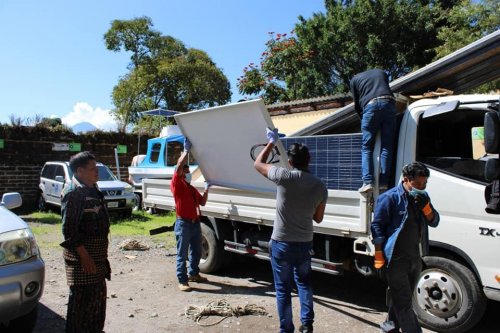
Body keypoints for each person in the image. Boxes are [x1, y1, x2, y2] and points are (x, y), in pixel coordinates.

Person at [254, 128, 328, 333]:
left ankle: (286, 329)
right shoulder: (320, 186)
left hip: (282, 243)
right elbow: (319, 218)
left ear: (291, 162)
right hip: (304, 244)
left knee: (283, 290)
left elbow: (258, 164)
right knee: (304, 283)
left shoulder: (283, 176)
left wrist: (271, 142)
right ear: (309, 160)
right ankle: (307, 325)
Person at [371, 162, 440, 333]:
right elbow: (377, 227)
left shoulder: (423, 197)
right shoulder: (390, 198)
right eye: (418, 184)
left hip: (414, 258)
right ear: (406, 180)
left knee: (402, 298)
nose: (422, 187)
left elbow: (435, 221)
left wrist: (427, 208)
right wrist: (379, 255)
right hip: (395, 260)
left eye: (424, 184)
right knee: (404, 304)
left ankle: (389, 328)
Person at [60, 151, 111, 333]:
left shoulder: (92, 189)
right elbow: (69, 230)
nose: (96, 171)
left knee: (96, 306)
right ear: (79, 171)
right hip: (83, 263)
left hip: (97, 259)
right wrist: (84, 256)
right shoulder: (74, 193)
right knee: (81, 309)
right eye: (92, 169)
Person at [171, 138, 210, 292]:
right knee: (182, 253)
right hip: (183, 223)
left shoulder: (190, 188)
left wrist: (207, 189)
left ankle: (194, 274)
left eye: (188, 172)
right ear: (180, 174)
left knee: (196, 250)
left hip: (194, 223)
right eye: (186, 172)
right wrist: (186, 151)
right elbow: (179, 166)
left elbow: (202, 203)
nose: (188, 174)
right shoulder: (177, 184)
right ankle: (182, 280)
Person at [350, 68, 397, 192]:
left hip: (370, 106)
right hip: (390, 103)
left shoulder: (354, 79)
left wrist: (365, 121)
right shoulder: (381, 72)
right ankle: (383, 183)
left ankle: (368, 182)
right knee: (387, 146)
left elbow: (357, 105)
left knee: (367, 147)